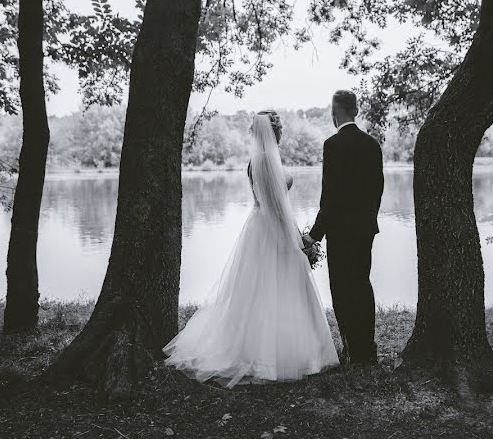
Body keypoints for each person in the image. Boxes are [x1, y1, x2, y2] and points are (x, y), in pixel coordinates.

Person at [164, 111, 338, 387]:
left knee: (258, 289)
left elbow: (264, 201)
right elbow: (279, 207)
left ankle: (258, 348)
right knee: (279, 287)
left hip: (259, 226)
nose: (279, 134)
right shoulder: (269, 160)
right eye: (279, 130)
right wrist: (298, 238)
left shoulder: (253, 162)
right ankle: (277, 356)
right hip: (275, 227)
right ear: (276, 132)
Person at [302, 90, 384, 365]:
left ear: (335, 112)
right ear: (356, 111)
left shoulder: (333, 144)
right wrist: (368, 218)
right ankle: (366, 349)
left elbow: (332, 195)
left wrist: (315, 234)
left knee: (341, 289)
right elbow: (378, 189)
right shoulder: (373, 145)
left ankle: (352, 349)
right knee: (362, 285)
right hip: (364, 229)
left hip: (340, 231)